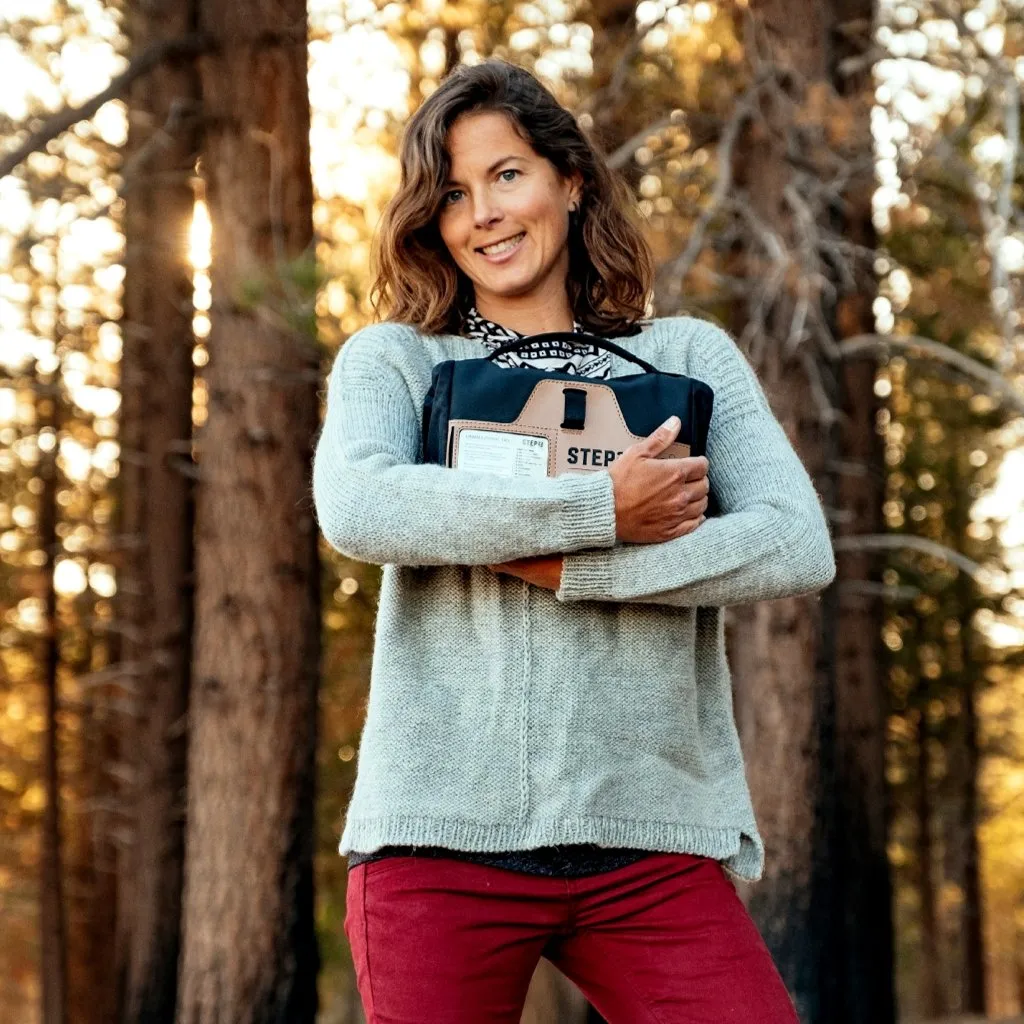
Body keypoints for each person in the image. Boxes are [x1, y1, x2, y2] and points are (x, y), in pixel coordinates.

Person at [312, 57, 835, 1024]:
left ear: (571, 179)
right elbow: (363, 507)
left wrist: (579, 567)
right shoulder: (397, 360)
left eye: (507, 175)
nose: (484, 215)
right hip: (438, 848)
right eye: (453, 195)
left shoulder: (685, 357)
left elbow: (794, 542)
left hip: (648, 844)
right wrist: (601, 509)